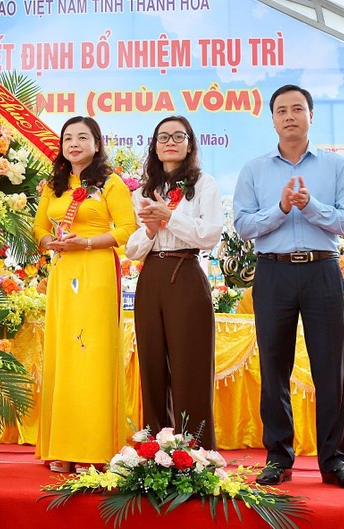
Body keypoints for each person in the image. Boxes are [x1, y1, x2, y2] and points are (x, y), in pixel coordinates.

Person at [233, 84, 344, 490]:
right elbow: (243, 225)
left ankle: (334, 462)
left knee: (329, 368)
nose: (289, 116)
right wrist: (282, 209)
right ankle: (278, 457)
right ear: (272, 119)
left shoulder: (335, 166)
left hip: (323, 271)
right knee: (274, 369)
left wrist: (311, 206)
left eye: (297, 109)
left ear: (310, 116)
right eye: (281, 110)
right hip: (272, 273)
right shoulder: (254, 170)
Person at [33, 116, 138, 473]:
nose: (74, 143)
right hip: (63, 272)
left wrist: (88, 242)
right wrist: (49, 241)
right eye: (67, 138)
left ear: (97, 143)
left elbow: (127, 229)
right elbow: (39, 225)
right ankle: (62, 445)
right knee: (65, 354)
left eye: (82, 137)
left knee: (92, 353)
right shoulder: (55, 184)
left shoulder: (110, 183)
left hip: (95, 271)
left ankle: (94, 447)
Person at [125, 116, 222, 448]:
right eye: (162, 137)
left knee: (190, 365)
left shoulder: (203, 183)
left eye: (178, 136)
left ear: (190, 144)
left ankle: (196, 451)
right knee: (151, 365)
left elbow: (210, 234)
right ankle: (154, 450)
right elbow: (132, 248)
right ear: (153, 145)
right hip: (151, 274)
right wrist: (151, 230)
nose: (170, 142)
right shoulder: (144, 190)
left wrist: (169, 217)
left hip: (186, 272)